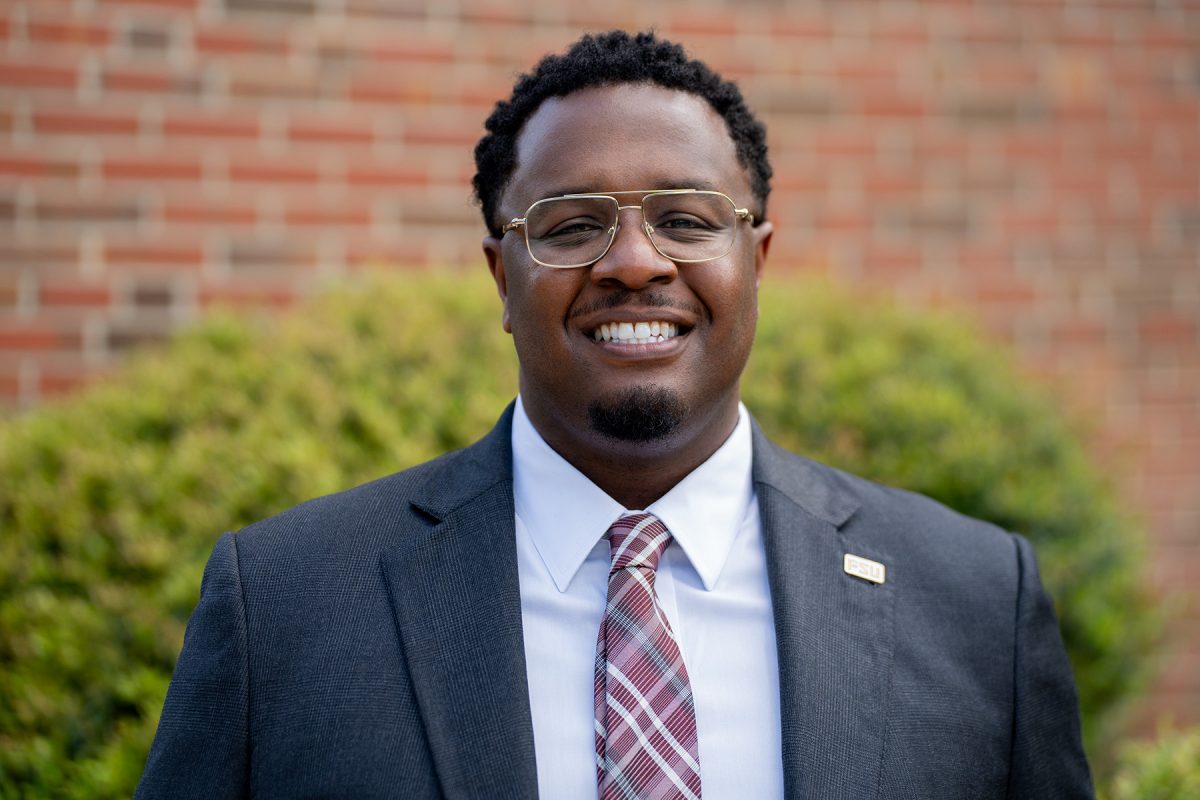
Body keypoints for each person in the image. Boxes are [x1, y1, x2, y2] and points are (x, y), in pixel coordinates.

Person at [136, 30, 1094, 799]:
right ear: (500, 278)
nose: (635, 261)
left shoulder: (973, 599)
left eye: (685, 218)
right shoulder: (288, 604)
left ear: (757, 262)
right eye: (570, 225)